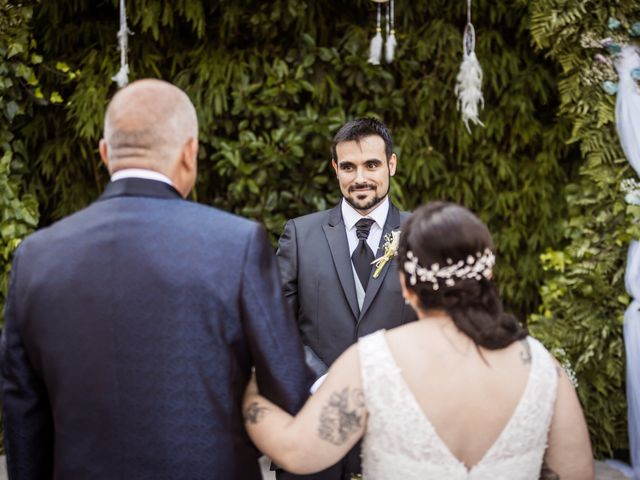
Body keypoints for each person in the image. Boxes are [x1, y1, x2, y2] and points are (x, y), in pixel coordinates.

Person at [1, 79, 312, 480]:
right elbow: (287, 387)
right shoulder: (235, 245)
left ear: (105, 153)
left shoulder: (36, 257)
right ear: (190, 153)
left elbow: (23, 414)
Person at [244, 201, 595, 480]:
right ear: (487, 276)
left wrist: (248, 394)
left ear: (407, 288)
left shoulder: (372, 361)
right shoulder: (543, 368)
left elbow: (296, 451)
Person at [275, 117, 417, 479]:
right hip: (314, 426)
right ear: (335, 169)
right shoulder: (300, 234)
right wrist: (324, 381)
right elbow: (275, 325)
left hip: (400, 429)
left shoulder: (422, 235)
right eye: (348, 167)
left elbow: (441, 329)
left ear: (392, 165)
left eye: (371, 164)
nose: (360, 179)